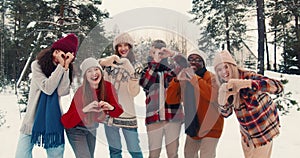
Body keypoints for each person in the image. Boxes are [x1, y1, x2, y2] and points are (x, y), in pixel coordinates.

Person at [15, 33, 79, 158]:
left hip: (53, 122)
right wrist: (61, 67)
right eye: (57, 51)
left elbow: (62, 91)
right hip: (32, 119)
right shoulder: (37, 65)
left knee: (55, 155)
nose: (58, 55)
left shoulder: (65, 69)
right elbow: (48, 88)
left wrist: (65, 68)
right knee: (21, 155)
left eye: (63, 54)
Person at [213, 50, 283, 158]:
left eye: (226, 67)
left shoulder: (248, 76)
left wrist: (249, 84)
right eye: (219, 69)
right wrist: (222, 101)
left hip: (262, 131)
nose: (223, 72)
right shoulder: (225, 86)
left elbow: (278, 87)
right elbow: (226, 114)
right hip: (246, 134)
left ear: (232, 65)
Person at [60, 57, 123, 158]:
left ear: (101, 72)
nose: (94, 73)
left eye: (96, 69)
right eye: (89, 71)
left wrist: (111, 107)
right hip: (76, 130)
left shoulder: (108, 87)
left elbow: (118, 111)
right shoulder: (81, 92)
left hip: (91, 128)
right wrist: (85, 109)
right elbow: (66, 121)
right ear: (85, 76)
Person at [169, 50, 224, 158]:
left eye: (198, 60)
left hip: (211, 127)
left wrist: (194, 78)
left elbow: (213, 96)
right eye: (190, 60)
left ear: (203, 63)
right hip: (194, 127)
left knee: (206, 155)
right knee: (189, 154)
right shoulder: (185, 79)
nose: (193, 62)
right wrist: (176, 81)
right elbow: (171, 100)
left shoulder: (212, 78)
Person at [98, 32, 143, 158]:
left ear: (130, 47)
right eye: (119, 46)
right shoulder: (109, 65)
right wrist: (102, 62)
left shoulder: (136, 66)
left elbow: (134, 92)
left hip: (127, 113)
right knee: (115, 152)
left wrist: (131, 72)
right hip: (110, 114)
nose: (123, 48)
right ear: (116, 48)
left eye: (126, 45)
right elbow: (91, 69)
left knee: (134, 150)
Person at [139, 39, 184, 158]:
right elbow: (146, 84)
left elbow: (187, 67)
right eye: (155, 52)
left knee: (173, 153)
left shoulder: (172, 70)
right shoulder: (146, 70)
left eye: (161, 52)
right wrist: (155, 63)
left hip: (173, 117)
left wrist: (173, 55)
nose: (159, 55)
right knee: (154, 154)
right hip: (154, 119)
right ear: (151, 53)